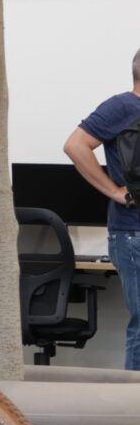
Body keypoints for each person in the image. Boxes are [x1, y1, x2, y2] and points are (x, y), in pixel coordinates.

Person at [64, 55, 140, 367]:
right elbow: (75, 145)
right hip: (134, 233)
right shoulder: (122, 106)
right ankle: (133, 397)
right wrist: (114, 191)